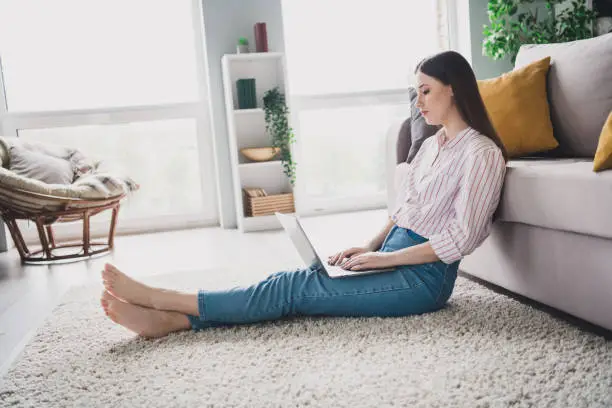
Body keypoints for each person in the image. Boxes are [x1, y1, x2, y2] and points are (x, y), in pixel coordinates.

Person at [100, 50, 508, 339]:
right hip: (391, 257)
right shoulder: (433, 145)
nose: (417, 103)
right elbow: (404, 209)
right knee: (297, 279)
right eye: (415, 92)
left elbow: (461, 238)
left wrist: (385, 259)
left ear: (454, 89)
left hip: (423, 279)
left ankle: (164, 300)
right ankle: (175, 322)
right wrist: (366, 247)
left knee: (294, 289)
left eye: (426, 91)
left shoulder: (482, 154)